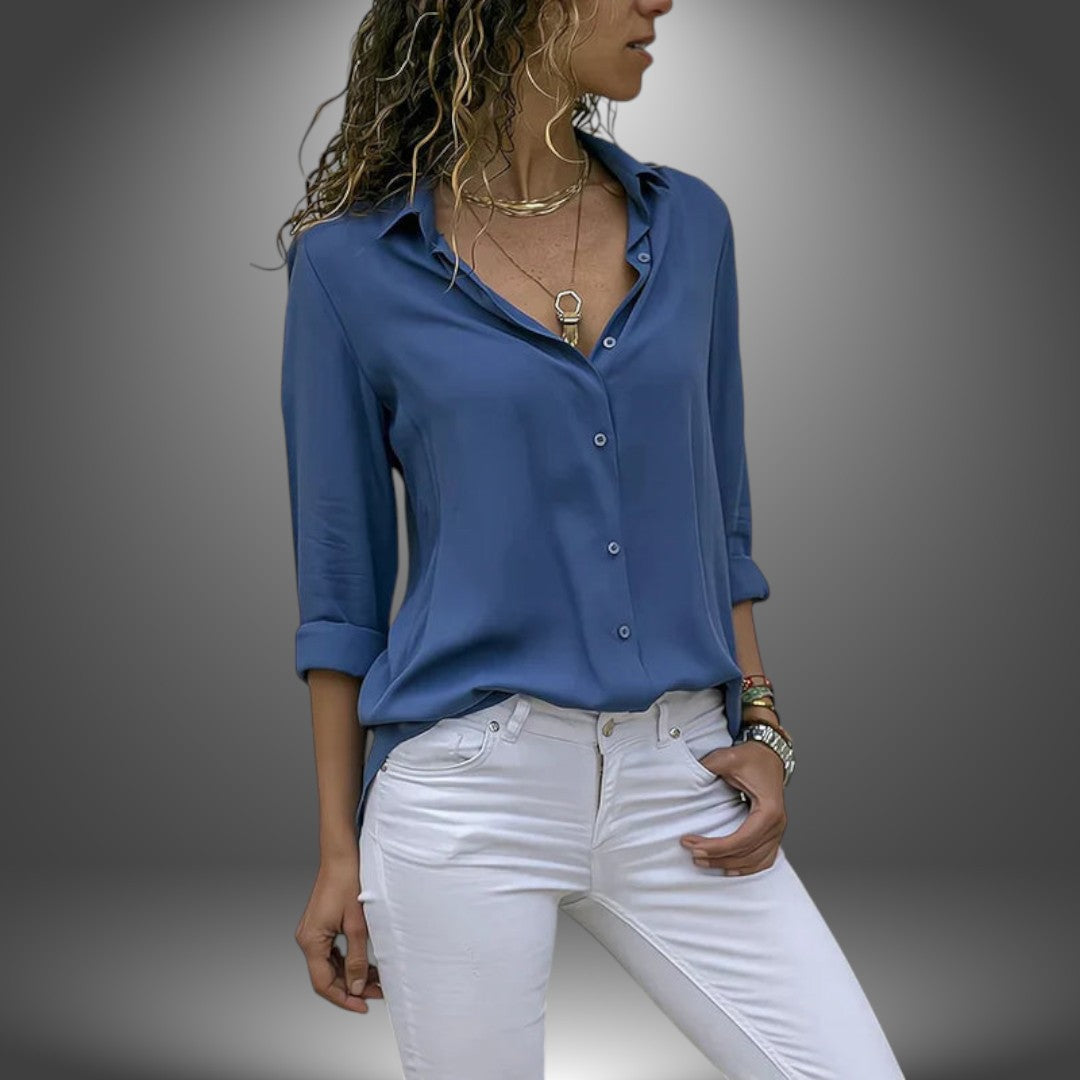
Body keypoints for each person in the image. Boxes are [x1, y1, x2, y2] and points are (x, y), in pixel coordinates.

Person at [276, 2, 906, 1077]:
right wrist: (339, 852)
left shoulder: (692, 224)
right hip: (469, 787)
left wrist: (761, 723)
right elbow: (341, 591)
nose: (659, 1)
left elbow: (722, 515)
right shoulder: (352, 268)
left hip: (681, 772)